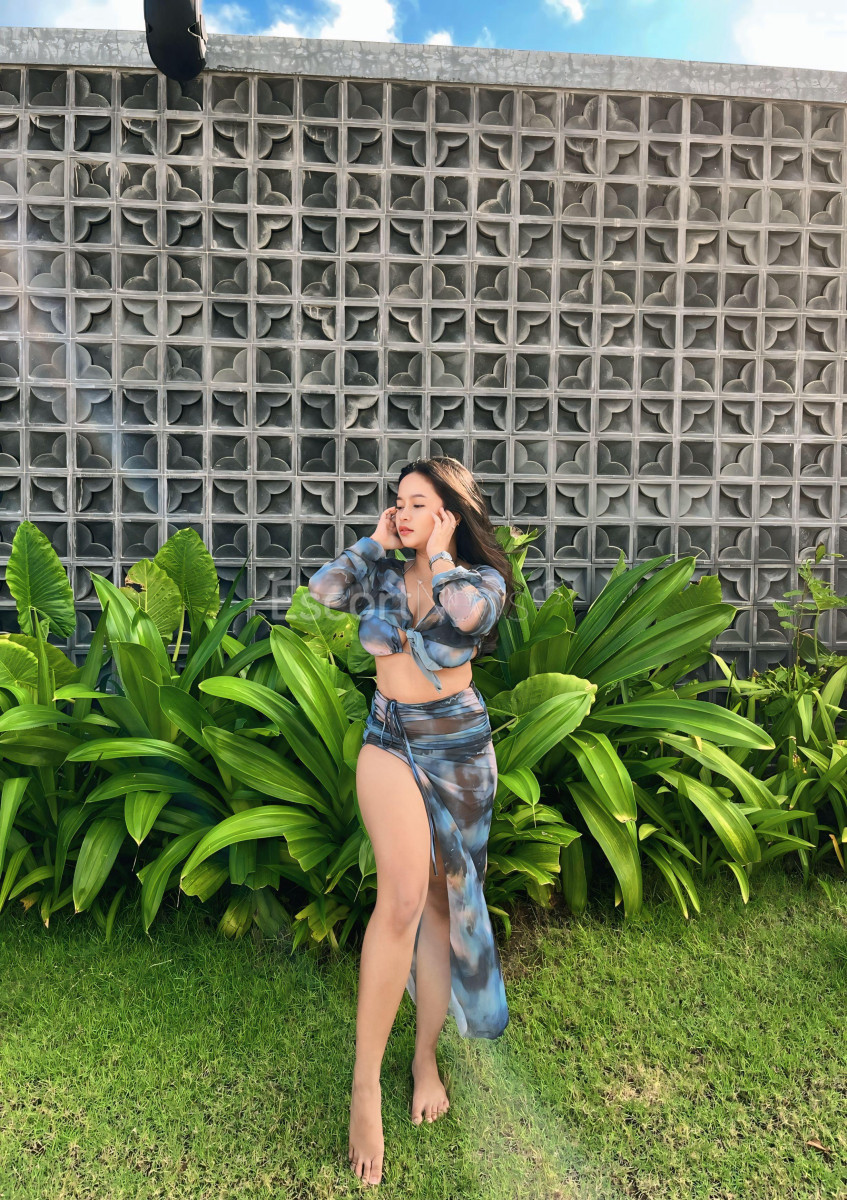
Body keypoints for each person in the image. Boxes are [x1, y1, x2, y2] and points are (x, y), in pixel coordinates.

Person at [306, 456, 517, 1187]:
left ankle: (424, 1058)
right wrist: (374, 540)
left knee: (438, 903)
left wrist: (440, 552)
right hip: (390, 737)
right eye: (397, 501)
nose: (401, 511)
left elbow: (466, 618)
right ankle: (364, 1086)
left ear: (450, 514)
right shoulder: (381, 574)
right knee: (399, 898)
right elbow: (323, 591)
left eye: (417, 502)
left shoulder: (480, 582)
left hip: (459, 748)